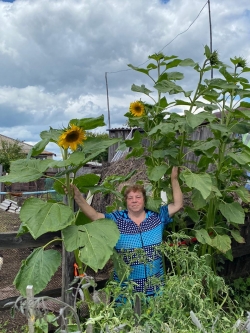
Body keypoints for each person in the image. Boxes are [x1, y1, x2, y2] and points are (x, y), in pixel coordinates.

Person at [71, 166, 183, 297]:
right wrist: (78, 196)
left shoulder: (157, 217)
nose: (134, 200)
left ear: (144, 200)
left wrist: (174, 179)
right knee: (128, 316)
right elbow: (95, 216)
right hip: (127, 290)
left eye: (138, 197)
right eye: (130, 198)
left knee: (156, 316)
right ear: (126, 201)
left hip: (156, 287)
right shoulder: (117, 219)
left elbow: (178, 204)